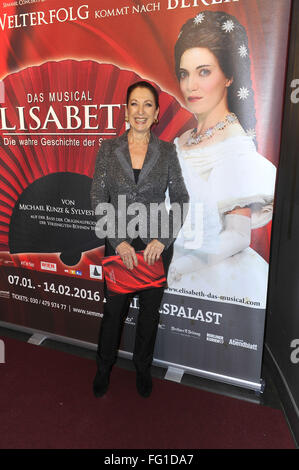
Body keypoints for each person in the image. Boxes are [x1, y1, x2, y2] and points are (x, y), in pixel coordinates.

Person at [167, 11, 276, 308]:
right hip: (168, 264)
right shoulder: (181, 141)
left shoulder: (235, 147)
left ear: (228, 76)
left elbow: (238, 237)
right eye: (184, 73)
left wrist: (183, 265)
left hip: (213, 277)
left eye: (204, 72)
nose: (190, 85)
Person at [90, 81, 189, 397]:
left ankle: (143, 369)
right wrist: (117, 241)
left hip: (154, 246)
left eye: (148, 104)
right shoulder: (108, 149)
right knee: (113, 313)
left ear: (157, 113)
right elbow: (97, 195)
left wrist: (163, 239)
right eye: (135, 103)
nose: (141, 111)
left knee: (149, 315)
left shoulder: (168, 151)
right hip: (118, 243)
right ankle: (103, 368)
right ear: (126, 110)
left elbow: (180, 197)